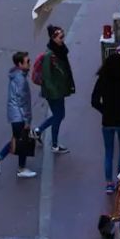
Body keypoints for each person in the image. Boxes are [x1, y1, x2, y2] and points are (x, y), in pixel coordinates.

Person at [90, 50, 120, 193]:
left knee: (108, 152)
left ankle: (109, 183)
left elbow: (94, 101)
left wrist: (105, 110)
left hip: (107, 121)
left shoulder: (102, 80)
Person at [0, 51, 37, 179]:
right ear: (20, 64)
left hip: (15, 114)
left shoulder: (16, 75)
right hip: (19, 115)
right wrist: (27, 120)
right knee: (23, 141)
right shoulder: (21, 80)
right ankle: (21, 168)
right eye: (27, 61)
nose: (29, 63)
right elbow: (23, 101)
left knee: (17, 139)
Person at [34, 24, 75, 154]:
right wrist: (54, 92)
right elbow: (47, 76)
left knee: (59, 115)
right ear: (53, 38)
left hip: (59, 89)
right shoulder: (49, 55)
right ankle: (54, 144)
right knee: (58, 115)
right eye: (60, 37)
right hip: (54, 92)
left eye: (63, 36)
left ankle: (39, 131)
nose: (62, 39)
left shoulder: (60, 50)